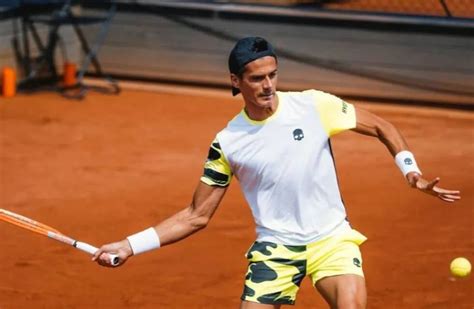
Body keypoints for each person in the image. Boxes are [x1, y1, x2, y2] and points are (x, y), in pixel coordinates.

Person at [93, 37, 461, 308]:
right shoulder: (228, 142)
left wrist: (411, 172)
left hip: (331, 240)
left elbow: (381, 126)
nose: (268, 85)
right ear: (236, 81)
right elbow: (196, 216)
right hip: (275, 250)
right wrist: (129, 245)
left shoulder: (314, 105)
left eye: (272, 75)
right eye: (256, 79)